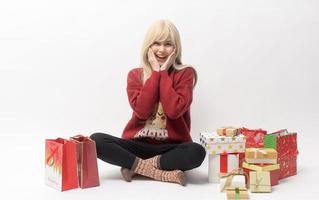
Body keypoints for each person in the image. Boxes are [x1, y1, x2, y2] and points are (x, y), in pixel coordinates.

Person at [90, 19, 205, 186]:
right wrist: (154, 75)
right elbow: (142, 112)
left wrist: (163, 73)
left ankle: (135, 167)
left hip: (171, 148)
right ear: (148, 46)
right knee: (95, 140)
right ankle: (158, 172)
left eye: (168, 44)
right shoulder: (135, 75)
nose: (162, 49)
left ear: (176, 48)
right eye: (156, 43)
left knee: (197, 152)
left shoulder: (185, 74)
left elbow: (173, 110)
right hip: (136, 146)